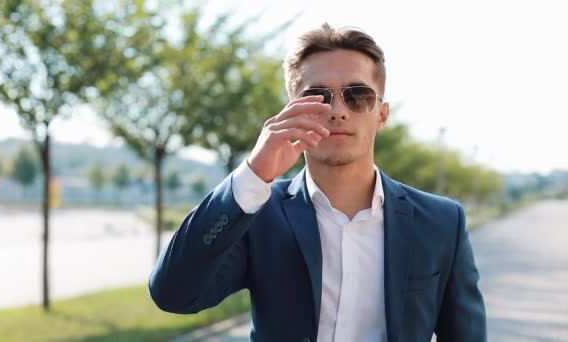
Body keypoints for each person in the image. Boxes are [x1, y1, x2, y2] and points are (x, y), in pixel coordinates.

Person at [149, 23, 486, 342]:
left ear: (381, 115)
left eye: (357, 96)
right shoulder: (258, 212)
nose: (338, 110)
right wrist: (253, 174)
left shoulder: (441, 221)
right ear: (292, 110)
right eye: (320, 96)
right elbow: (173, 294)